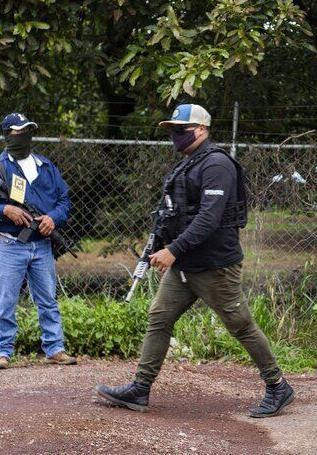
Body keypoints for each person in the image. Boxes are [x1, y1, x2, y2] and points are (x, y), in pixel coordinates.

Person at [94, 104, 294, 417]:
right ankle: (140, 388)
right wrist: (161, 244)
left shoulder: (216, 164)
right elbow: (176, 213)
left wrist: (173, 250)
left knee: (240, 326)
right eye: (172, 129)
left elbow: (208, 218)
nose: (175, 135)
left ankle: (278, 385)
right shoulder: (189, 164)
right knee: (159, 317)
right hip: (185, 265)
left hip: (215, 266)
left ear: (201, 129)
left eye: (181, 129)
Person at [0, 113, 76, 370]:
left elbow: (65, 201)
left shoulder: (46, 167)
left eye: (27, 130)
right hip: (9, 245)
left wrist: (53, 218)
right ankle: (2, 353)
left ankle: (55, 348)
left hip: (41, 245)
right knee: (6, 301)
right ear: (7, 135)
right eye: (17, 131)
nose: (23, 135)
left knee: (48, 299)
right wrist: (5, 210)